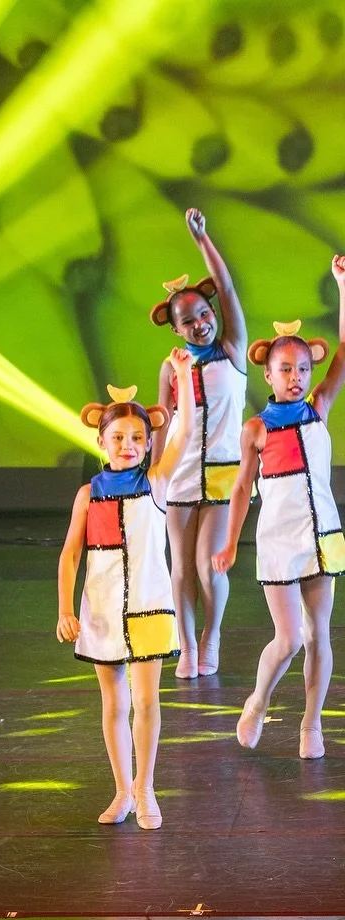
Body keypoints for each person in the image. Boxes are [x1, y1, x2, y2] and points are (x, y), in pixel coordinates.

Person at [57, 351, 196, 830]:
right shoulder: (88, 494)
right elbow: (70, 554)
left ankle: (146, 787)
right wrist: (63, 609)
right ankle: (122, 790)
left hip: (149, 607)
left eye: (138, 438)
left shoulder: (156, 485)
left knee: (147, 701)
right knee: (113, 703)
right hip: (100, 611)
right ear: (100, 441)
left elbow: (185, 435)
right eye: (118, 438)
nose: (129, 445)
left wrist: (182, 378)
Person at [213, 255, 345, 760]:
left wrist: (340, 284)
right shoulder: (257, 430)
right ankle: (258, 701)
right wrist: (228, 544)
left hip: (323, 534)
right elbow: (243, 489)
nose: (296, 376)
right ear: (267, 374)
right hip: (278, 543)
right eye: (285, 369)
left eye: (303, 369)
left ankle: (311, 724)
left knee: (319, 636)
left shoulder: (318, 410)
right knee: (288, 638)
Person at [150, 209, 248, 679]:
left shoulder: (232, 351)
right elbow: (163, 424)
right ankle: (186, 646)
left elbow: (227, 289)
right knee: (181, 570)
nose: (200, 324)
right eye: (187, 321)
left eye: (204, 315)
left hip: (226, 471)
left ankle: (212, 636)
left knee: (210, 568)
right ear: (175, 329)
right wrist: (151, 478)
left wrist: (202, 239)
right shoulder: (172, 367)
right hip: (182, 473)